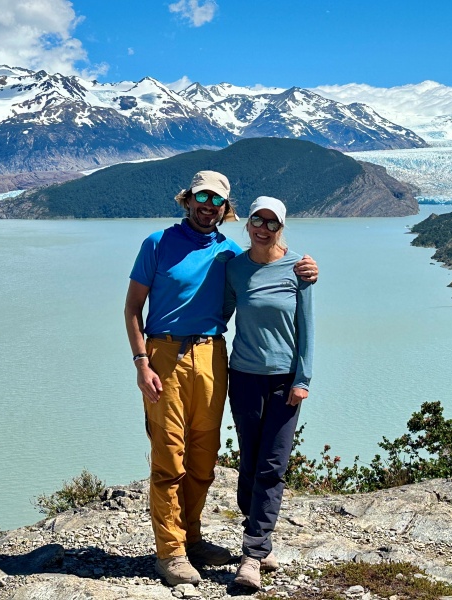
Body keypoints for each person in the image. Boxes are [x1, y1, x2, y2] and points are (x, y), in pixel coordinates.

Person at [124, 172, 317, 587]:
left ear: (226, 209)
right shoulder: (157, 244)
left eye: (218, 200)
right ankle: (171, 551)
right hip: (165, 354)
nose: (208, 205)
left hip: (213, 355)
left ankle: (192, 539)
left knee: (203, 459)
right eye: (202, 197)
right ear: (188, 199)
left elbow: (267, 280)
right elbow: (132, 310)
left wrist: (305, 268)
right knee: (169, 458)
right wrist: (142, 361)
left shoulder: (230, 256)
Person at [223, 196, 314, 590]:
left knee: (272, 466)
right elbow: (217, 313)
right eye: (257, 220)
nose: (263, 228)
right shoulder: (235, 268)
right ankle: (261, 538)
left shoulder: (298, 269)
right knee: (249, 464)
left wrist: (303, 379)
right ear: (248, 224)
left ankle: (252, 553)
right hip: (243, 376)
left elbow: (307, 327)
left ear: (281, 228)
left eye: (271, 223)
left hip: (283, 382)